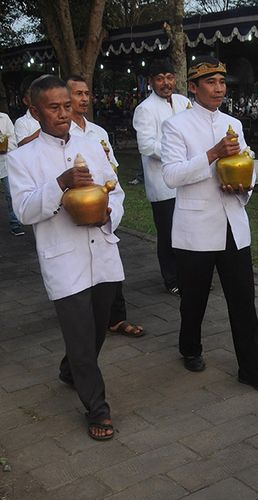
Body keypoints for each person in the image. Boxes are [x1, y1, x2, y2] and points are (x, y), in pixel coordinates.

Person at [7, 75, 125, 441]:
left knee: (97, 329)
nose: (63, 113)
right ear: (34, 109)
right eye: (54, 107)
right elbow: (25, 210)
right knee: (80, 337)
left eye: (67, 106)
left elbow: (115, 192)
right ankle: (98, 409)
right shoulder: (21, 157)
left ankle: (70, 369)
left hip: (102, 251)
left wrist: (108, 214)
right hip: (63, 258)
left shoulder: (93, 144)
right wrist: (60, 183)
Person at [161, 56, 258, 394]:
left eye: (222, 82)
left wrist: (244, 187)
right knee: (194, 299)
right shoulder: (177, 126)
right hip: (196, 227)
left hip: (232, 223)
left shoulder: (234, 124)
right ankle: (190, 347)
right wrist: (211, 154)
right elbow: (171, 176)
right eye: (210, 82)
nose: (218, 89)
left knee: (243, 300)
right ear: (194, 88)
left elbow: (244, 167)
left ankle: (251, 369)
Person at [65, 75, 145, 339]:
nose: (84, 98)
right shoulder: (63, 133)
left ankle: (115, 318)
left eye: (87, 93)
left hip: (103, 205)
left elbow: (111, 171)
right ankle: (84, 319)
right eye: (78, 94)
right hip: (75, 209)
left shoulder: (98, 132)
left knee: (110, 267)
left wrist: (110, 206)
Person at [132, 59, 192, 296]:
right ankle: (172, 279)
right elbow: (146, 146)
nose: (166, 83)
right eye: (160, 78)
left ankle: (191, 274)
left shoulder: (183, 101)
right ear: (151, 82)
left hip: (187, 178)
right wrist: (176, 152)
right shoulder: (145, 109)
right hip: (163, 183)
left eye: (169, 77)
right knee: (168, 234)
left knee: (189, 230)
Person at [0, 111, 22, 235]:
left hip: (4, 161)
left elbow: (14, 140)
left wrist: (5, 147)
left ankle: (15, 223)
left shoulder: (4, 118)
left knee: (10, 193)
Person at [14, 76, 41, 147]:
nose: (36, 97)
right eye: (31, 95)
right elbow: (21, 144)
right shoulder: (21, 122)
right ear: (25, 101)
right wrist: (42, 132)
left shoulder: (51, 116)